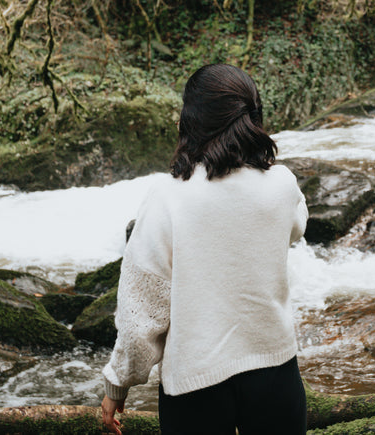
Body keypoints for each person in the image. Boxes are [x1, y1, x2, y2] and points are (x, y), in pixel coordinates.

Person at [100, 63, 309, 435]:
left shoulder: (167, 197)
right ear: (252, 116)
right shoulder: (282, 184)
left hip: (196, 383)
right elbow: (295, 229)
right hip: (276, 372)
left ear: (190, 121)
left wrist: (119, 383)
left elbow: (142, 313)